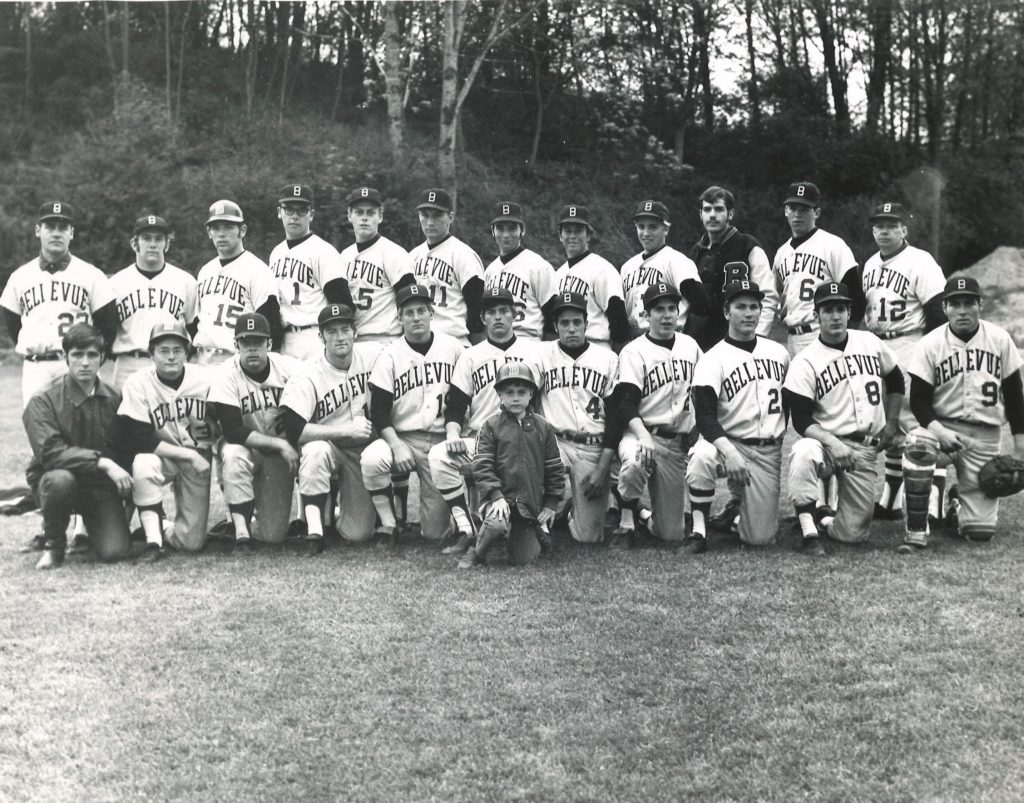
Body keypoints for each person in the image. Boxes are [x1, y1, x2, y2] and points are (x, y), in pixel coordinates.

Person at [898, 276, 1024, 552]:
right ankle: (917, 529)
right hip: (941, 430)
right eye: (955, 304)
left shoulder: (1000, 339)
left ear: (980, 305)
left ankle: (957, 505)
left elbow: (1015, 395)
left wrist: (1020, 442)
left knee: (979, 533)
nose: (962, 310)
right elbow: (918, 401)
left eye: (969, 303)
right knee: (918, 445)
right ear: (945, 308)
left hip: (984, 437)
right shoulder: (930, 343)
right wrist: (939, 432)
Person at [783, 282, 904, 555]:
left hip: (864, 449)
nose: (835, 316)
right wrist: (833, 443)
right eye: (828, 310)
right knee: (803, 451)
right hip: (827, 445)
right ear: (817, 315)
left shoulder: (870, 342)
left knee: (854, 535)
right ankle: (807, 527)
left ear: (849, 312)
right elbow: (801, 421)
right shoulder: (805, 361)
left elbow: (896, 379)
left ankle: (825, 519)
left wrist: (893, 423)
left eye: (841, 309)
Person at [428, 286, 541, 556]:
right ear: (483, 318)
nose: (499, 317)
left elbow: (541, 403)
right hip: (481, 440)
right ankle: (467, 528)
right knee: (439, 455)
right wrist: (453, 434)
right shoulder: (470, 356)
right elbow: (456, 406)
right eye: (492, 312)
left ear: (515, 315)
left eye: (504, 311)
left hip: (523, 441)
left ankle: (540, 523)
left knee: (524, 551)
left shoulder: (535, 352)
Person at [684, 280, 789, 552]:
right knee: (701, 456)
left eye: (754, 306)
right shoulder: (713, 358)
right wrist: (729, 451)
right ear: (727, 312)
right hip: (728, 443)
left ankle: (737, 513)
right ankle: (699, 530)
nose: (749, 313)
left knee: (760, 540)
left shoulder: (779, 353)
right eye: (740, 306)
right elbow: (704, 416)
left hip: (767, 451)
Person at [861, 202, 947, 520]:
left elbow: (938, 310)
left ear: (904, 230)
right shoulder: (869, 264)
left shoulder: (920, 261)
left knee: (917, 424)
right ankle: (890, 500)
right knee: (889, 424)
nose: (884, 230)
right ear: (872, 231)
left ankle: (933, 506)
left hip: (911, 342)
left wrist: (933, 354)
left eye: (891, 225)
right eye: (879, 225)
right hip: (879, 348)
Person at [360, 284, 464, 543]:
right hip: (402, 438)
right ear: (399, 318)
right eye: (408, 313)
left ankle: (458, 521)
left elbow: (461, 401)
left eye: (421, 311)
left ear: (432, 313)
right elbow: (379, 411)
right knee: (372, 459)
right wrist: (395, 445)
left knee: (433, 534)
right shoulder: (390, 355)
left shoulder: (453, 348)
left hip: (441, 440)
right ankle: (389, 523)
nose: (415, 317)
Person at [23, 323, 132, 570]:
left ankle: (96, 528)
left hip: (98, 485)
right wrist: (101, 462)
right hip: (56, 480)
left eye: (92, 355)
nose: (85, 362)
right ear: (65, 357)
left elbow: (127, 447)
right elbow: (50, 453)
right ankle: (54, 545)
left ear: (102, 358)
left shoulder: (115, 398)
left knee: (115, 551)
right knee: (60, 481)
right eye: (77, 355)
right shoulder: (44, 399)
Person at [279, 304, 380, 554]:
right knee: (315, 450)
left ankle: (336, 511)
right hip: (331, 448)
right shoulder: (307, 373)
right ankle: (315, 531)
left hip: (363, 452)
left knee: (358, 535)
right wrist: (345, 431)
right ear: (321, 336)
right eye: (331, 331)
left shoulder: (376, 355)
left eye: (345, 329)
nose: (339, 337)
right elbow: (295, 431)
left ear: (355, 332)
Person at [114, 321, 215, 561]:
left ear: (187, 353)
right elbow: (139, 436)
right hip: (163, 457)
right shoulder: (137, 382)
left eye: (177, 350)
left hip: (197, 458)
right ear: (151, 354)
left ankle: (163, 526)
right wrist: (189, 455)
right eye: (164, 350)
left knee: (191, 543)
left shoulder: (207, 379)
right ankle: (153, 541)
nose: (171, 357)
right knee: (144, 463)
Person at [1, 201, 117, 406]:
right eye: (50, 227)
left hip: (76, 365)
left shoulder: (91, 275)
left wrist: (89, 360)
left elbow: (107, 327)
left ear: (71, 233)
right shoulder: (20, 277)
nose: (56, 233)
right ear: (38, 230)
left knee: (80, 433)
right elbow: (14, 325)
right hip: (36, 367)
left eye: (63, 227)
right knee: (38, 432)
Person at [613, 282, 702, 547]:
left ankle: (643, 514)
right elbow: (626, 403)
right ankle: (627, 523)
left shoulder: (690, 346)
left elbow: (702, 395)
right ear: (646, 315)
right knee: (635, 463)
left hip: (675, 443)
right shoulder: (634, 350)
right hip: (641, 433)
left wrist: (695, 431)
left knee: (670, 533)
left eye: (671, 309)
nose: (666, 315)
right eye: (659, 309)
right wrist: (642, 436)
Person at [207, 313, 303, 550]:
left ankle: (257, 523)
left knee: (273, 536)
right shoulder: (225, 374)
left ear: (269, 344)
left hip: (278, 455)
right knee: (233, 454)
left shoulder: (290, 368)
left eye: (258, 343)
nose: (252, 349)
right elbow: (232, 431)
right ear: (236, 345)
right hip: (245, 447)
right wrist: (281, 445)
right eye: (245, 343)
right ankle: (241, 533)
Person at [459, 362, 564, 569]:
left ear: (531, 393)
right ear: (499, 394)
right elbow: (483, 466)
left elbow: (554, 468)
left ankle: (533, 531)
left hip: (528, 502)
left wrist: (551, 503)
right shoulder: (490, 425)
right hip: (499, 499)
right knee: (497, 523)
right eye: (509, 392)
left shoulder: (543, 427)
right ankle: (477, 553)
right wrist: (495, 495)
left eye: (521, 391)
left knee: (523, 560)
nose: (515, 397)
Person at [534, 292, 619, 544]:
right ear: (555, 326)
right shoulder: (541, 355)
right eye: (564, 323)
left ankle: (571, 511)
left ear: (586, 323)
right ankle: (537, 520)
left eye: (576, 322)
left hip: (593, 447)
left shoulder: (608, 359)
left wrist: (603, 468)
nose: (571, 328)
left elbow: (616, 417)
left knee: (589, 537)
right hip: (555, 445)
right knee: (540, 461)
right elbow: (523, 400)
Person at [106, 214, 197, 390]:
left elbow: (194, 326)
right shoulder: (115, 284)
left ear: (167, 244)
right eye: (146, 238)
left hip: (170, 364)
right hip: (129, 363)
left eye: (159, 239)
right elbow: (108, 329)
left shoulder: (186, 281)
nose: (153, 244)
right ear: (134, 243)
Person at [772, 182, 862, 357]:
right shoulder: (781, 254)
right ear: (785, 211)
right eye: (793, 208)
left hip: (822, 334)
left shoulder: (833, 246)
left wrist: (846, 338)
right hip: (791, 338)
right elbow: (775, 296)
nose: (797, 214)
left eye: (805, 209)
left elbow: (856, 296)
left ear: (817, 213)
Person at [688, 187, 777, 351]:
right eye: (707, 209)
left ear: (730, 214)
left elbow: (767, 294)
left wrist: (759, 336)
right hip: (698, 340)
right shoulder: (695, 252)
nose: (712, 215)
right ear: (700, 214)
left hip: (737, 339)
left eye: (719, 209)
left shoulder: (748, 245)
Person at [269, 184, 353, 359]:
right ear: (279, 212)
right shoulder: (276, 253)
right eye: (289, 210)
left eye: (301, 211)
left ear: (311, 215)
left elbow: (342, 302)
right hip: (284, 338)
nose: (294, 216)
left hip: (314, 336)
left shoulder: (324, 251)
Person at [195, 199, 282, 366]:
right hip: (202, 360)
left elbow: (272, 327)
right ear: (208, 232)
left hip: (237, 361)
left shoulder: (258, 270)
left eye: (228, 227)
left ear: (242, 230)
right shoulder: (205, 272)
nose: (221, 234)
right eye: (215, 228)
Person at [620, 200, 710, 339]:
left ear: (666, 229)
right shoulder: (627, 267)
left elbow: (703, 306)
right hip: (635, 343)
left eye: (653, 227)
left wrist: (686, 340)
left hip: (669, 341)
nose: (645, 233)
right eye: (641, 227)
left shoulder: (677, 262)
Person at [339, 186, 416, 343]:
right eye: (359, 212)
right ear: (349, 215)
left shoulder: (394, 253)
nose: (364, 218)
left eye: (371, 213)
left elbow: (410, 300)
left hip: (385, 338)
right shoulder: (344, 256)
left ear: (380, 216)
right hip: (353, 341)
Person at [409, 188, 485, 344]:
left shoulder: (464, 255)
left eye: (437, 216)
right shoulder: (412, 256)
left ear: (450, 217)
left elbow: (477, 309)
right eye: (425, 215)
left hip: (454, 341)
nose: (430, 222)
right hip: (419, 344)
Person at [549, 204, 629, 352]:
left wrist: (620, 358)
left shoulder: (603, 270)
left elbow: (619, 321)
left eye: (579, 231)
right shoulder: (558, 275)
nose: (572, 236)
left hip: (597, 348)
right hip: (564, 352)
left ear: (589, 235)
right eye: (567, 231)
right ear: (560, 236)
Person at [481, 201, 556, 341]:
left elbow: (552, 317)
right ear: (493, 231)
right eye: (500, 228)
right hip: (496, 344)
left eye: (512, 228)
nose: (506, 234)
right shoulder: (490, 271)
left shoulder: (538, 266)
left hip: (529, 341)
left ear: (522, 230)